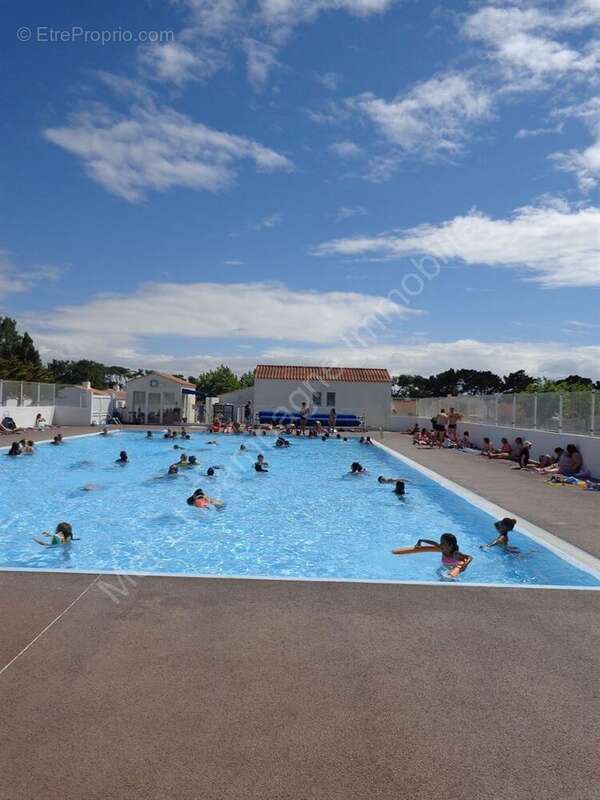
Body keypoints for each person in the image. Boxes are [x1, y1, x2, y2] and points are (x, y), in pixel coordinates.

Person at [394, 533, 472, 576]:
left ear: (450, 546)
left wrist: (465, 565)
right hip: (445, 566)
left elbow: (469, 557)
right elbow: (433, 543)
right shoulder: (442, 548)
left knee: (448, 577)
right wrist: (420, 541)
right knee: (438, 572)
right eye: (441, 542)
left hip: (454, 567)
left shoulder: (455, 554)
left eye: (443, 543)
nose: (441, 544)